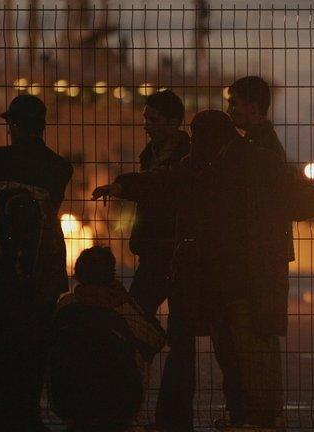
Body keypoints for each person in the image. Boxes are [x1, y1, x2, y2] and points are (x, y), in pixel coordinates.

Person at [92, 109, 314, 431]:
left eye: (198, 135)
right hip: (236, 275)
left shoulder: (217, 165)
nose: (194, 142)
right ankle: (248, 417)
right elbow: (293, 196)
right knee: (240, 352)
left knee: (244, 351)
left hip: (234, 276)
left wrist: (124, 186)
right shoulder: (238, 162)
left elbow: (164, 182)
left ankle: (255, 417)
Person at [224, 76, 314, 429]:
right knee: (262, 334)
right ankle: (265, 412)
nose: (230, 109)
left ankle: (260, 414)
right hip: (266, 257)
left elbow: (273, 201)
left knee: (255, 337)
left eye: (235, 103)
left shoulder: (257, 151)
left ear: (254, 108)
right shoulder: (263, 147)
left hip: (259, 260)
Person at [0, 94, 73, 431]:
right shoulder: (60, 167)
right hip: (42, 269)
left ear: (13, 125)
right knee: (34, 346)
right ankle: (29, 414)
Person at [122, 89, 191, 432]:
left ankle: (168, 416)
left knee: (162, 329)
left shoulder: (187, 156)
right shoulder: (151, 153)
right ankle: (142, 407)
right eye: (146, 118)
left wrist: (127, 186)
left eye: (153, 119)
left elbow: (164, 190)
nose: (146, 125)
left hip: (173, 253)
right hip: (154, 250)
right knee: (138, 324)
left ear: (175, 122)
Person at [57, 246, 166, 424]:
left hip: (68, 401)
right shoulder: (120, 308)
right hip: (118, 405)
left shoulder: (65, 305)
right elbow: (156, 340)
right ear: (111, 275)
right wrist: (128, 301)